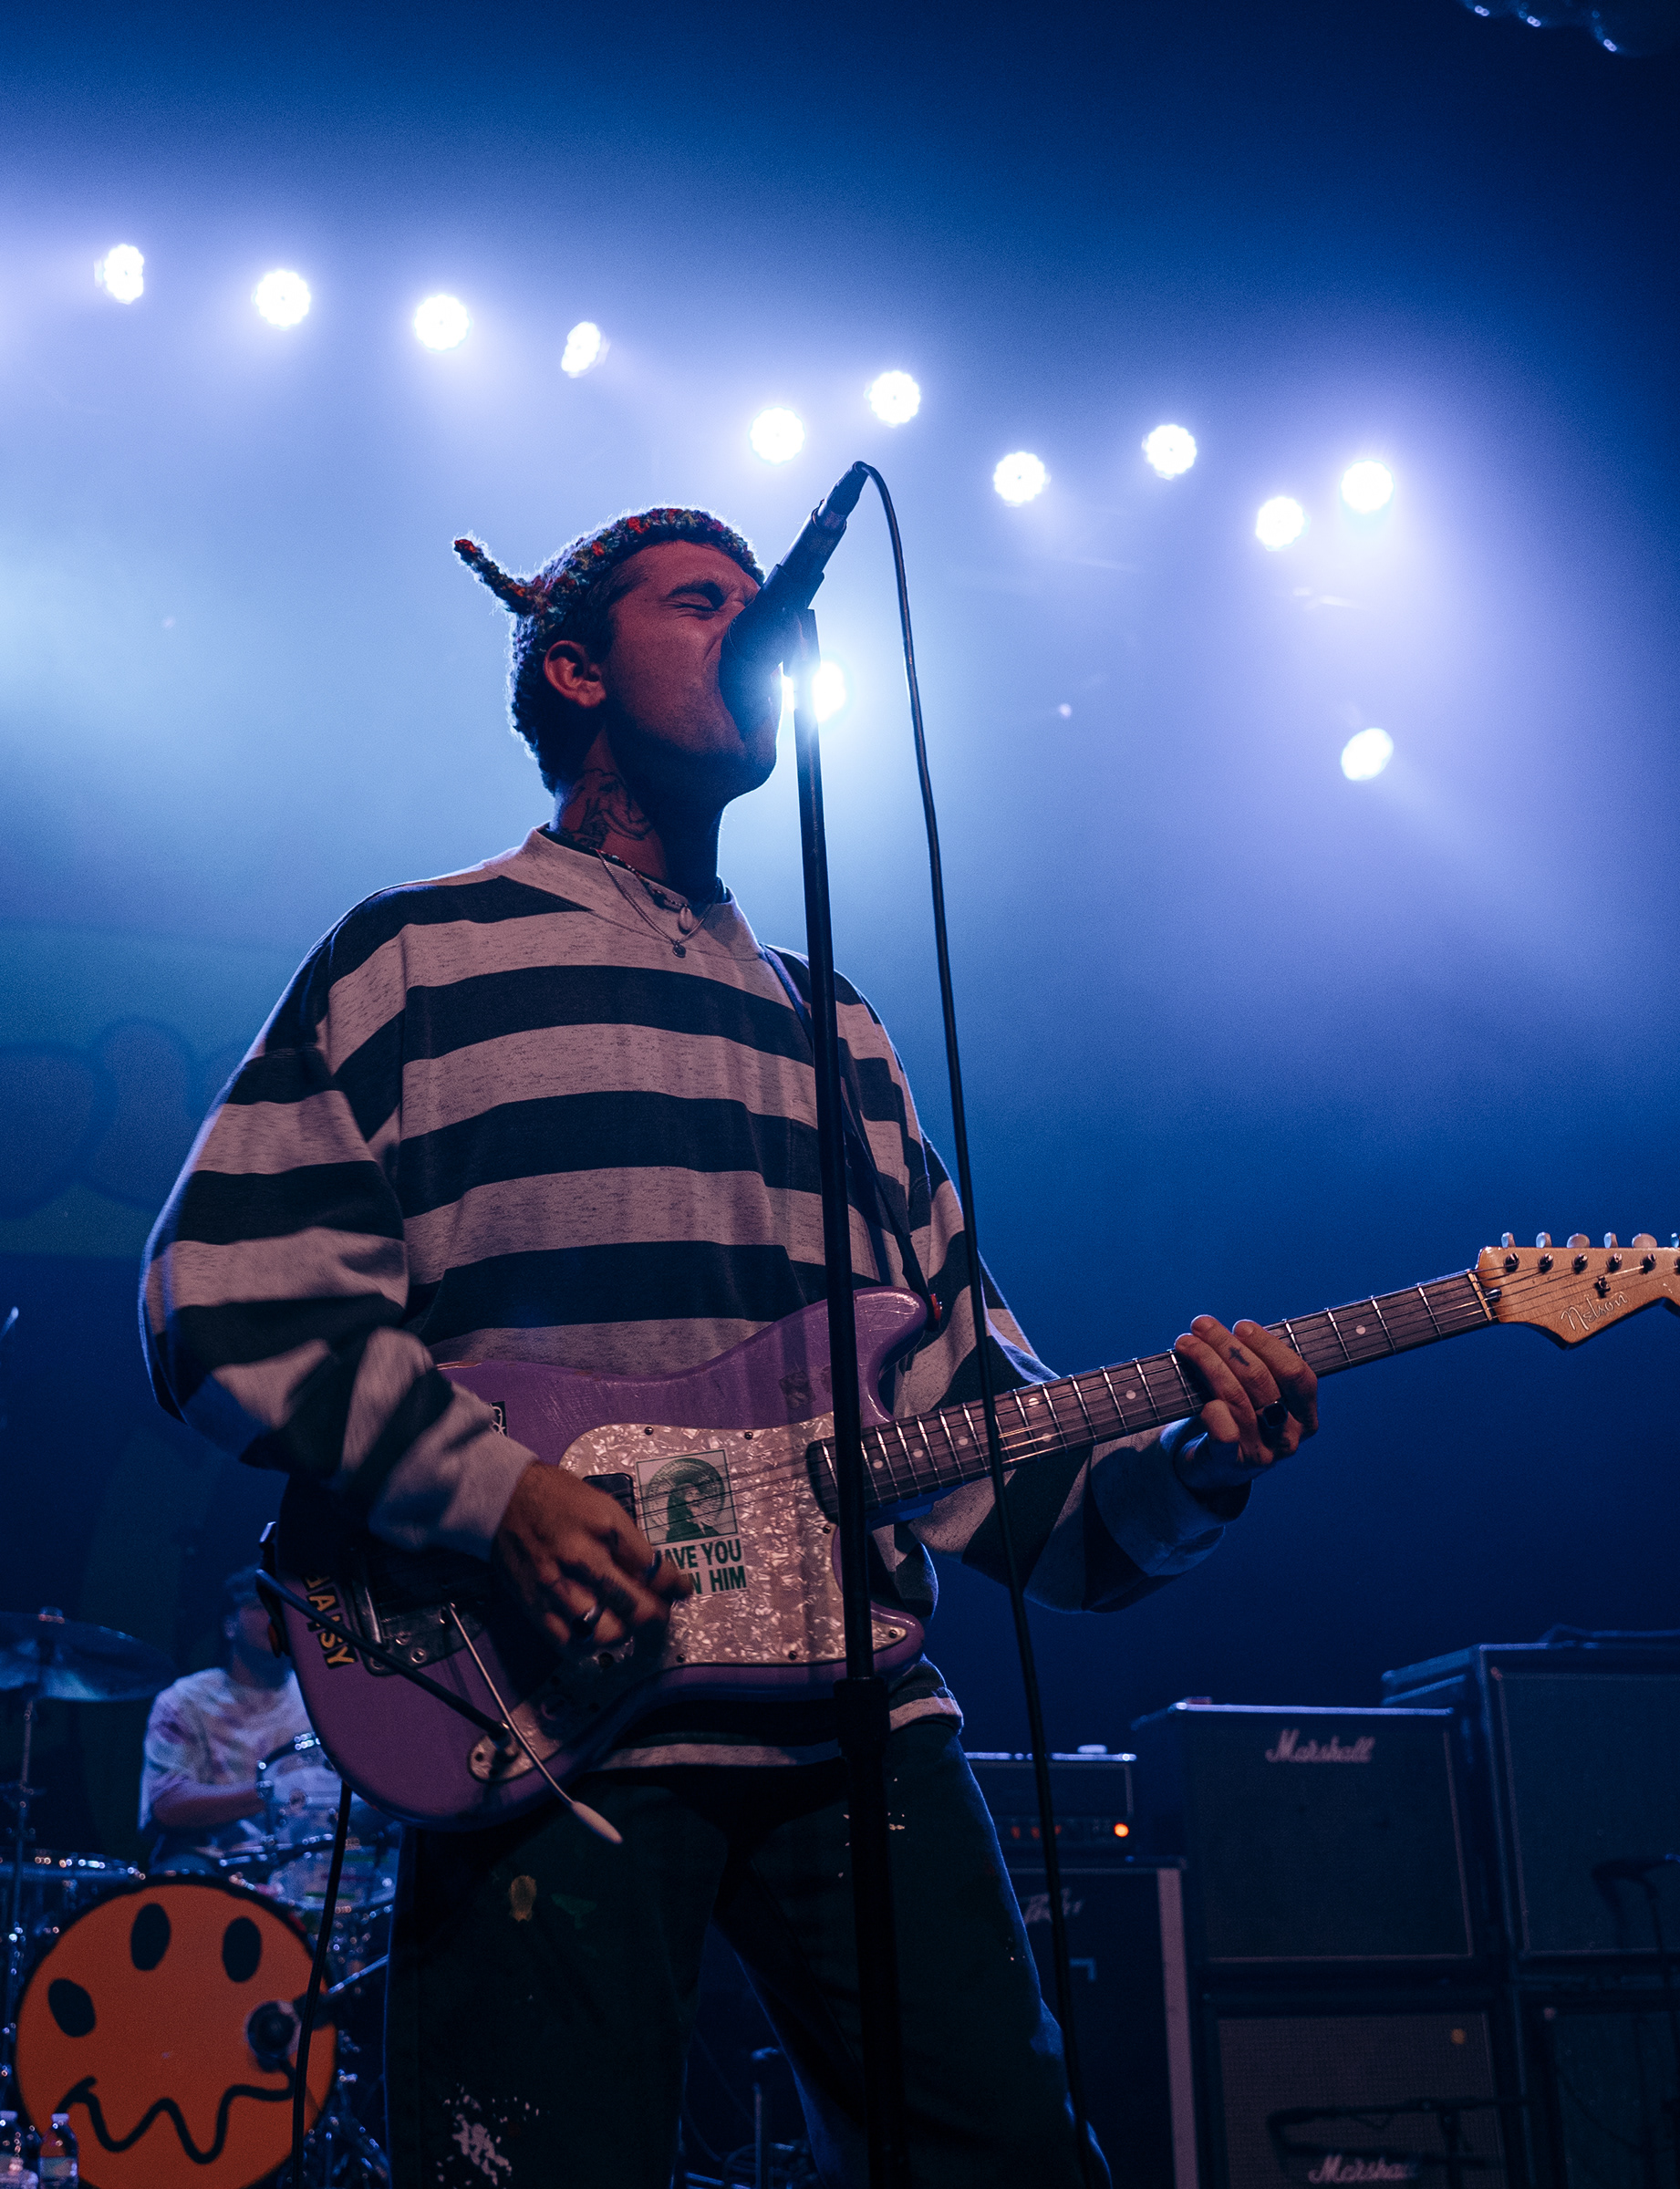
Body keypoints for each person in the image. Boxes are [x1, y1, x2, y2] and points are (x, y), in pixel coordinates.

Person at [140, 503, 1318, 2187]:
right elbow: (223, 1292)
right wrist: (494, 1492)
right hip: (538, 1723)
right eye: (703, 603)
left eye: (767, 610)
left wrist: (1190, 1468)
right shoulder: (415, 957)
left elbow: (978, 1430)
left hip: (856, 1723)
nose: (757, 630)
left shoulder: (839, 1031)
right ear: (573, 670)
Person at [138, 1566, 323, 1872]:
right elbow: (167, 1804)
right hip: (209, 1862)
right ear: (229, 1626)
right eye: (259, 1606)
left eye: (285, 1608)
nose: (276, 1617)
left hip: (305, 1864)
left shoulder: (321, 1700)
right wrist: (274, 1790)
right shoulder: (184, 1699)